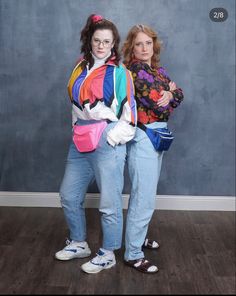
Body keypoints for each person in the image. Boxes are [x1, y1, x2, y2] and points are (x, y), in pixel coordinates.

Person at [55, 14, 137, 274]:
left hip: (106, 141)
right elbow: (75, 104)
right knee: (69, 195)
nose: (101, 46)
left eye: (107, 42)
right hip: (80, 139)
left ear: (114, 44)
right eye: (97, 40)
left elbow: (130, 115)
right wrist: (75, 128)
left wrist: (111, 136)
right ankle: (79, 242)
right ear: (89, 41)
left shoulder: (120, 73)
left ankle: (109, 253)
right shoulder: (79, 66)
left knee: (109, 202)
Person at [122, 24, 184, 273]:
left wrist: (172, 94)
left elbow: (179, 94)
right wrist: (169, 95)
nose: (144, 48)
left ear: (153, 45)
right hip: (145, 136)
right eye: (139, 44)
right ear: (132, 47)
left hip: (158, 135)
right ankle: (133, 254)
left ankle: (138, 238)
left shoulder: (157, 70)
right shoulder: (135, 71)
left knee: (148, 193)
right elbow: (160, 107)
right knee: (143, 197)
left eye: (148, 43)